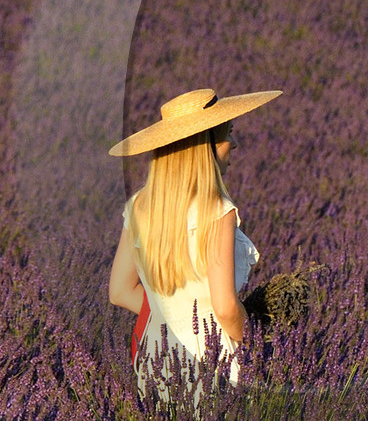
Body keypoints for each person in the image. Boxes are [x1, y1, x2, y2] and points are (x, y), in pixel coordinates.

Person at [107, 85, 280, 393]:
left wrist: (171, 318)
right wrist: (259, 343)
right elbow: (225, 307)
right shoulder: (217, 211)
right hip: (217, 370)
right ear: (206, 146)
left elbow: (120, 291)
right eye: (228, 132)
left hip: (156, 366)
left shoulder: (139, 207)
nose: (235, 143)